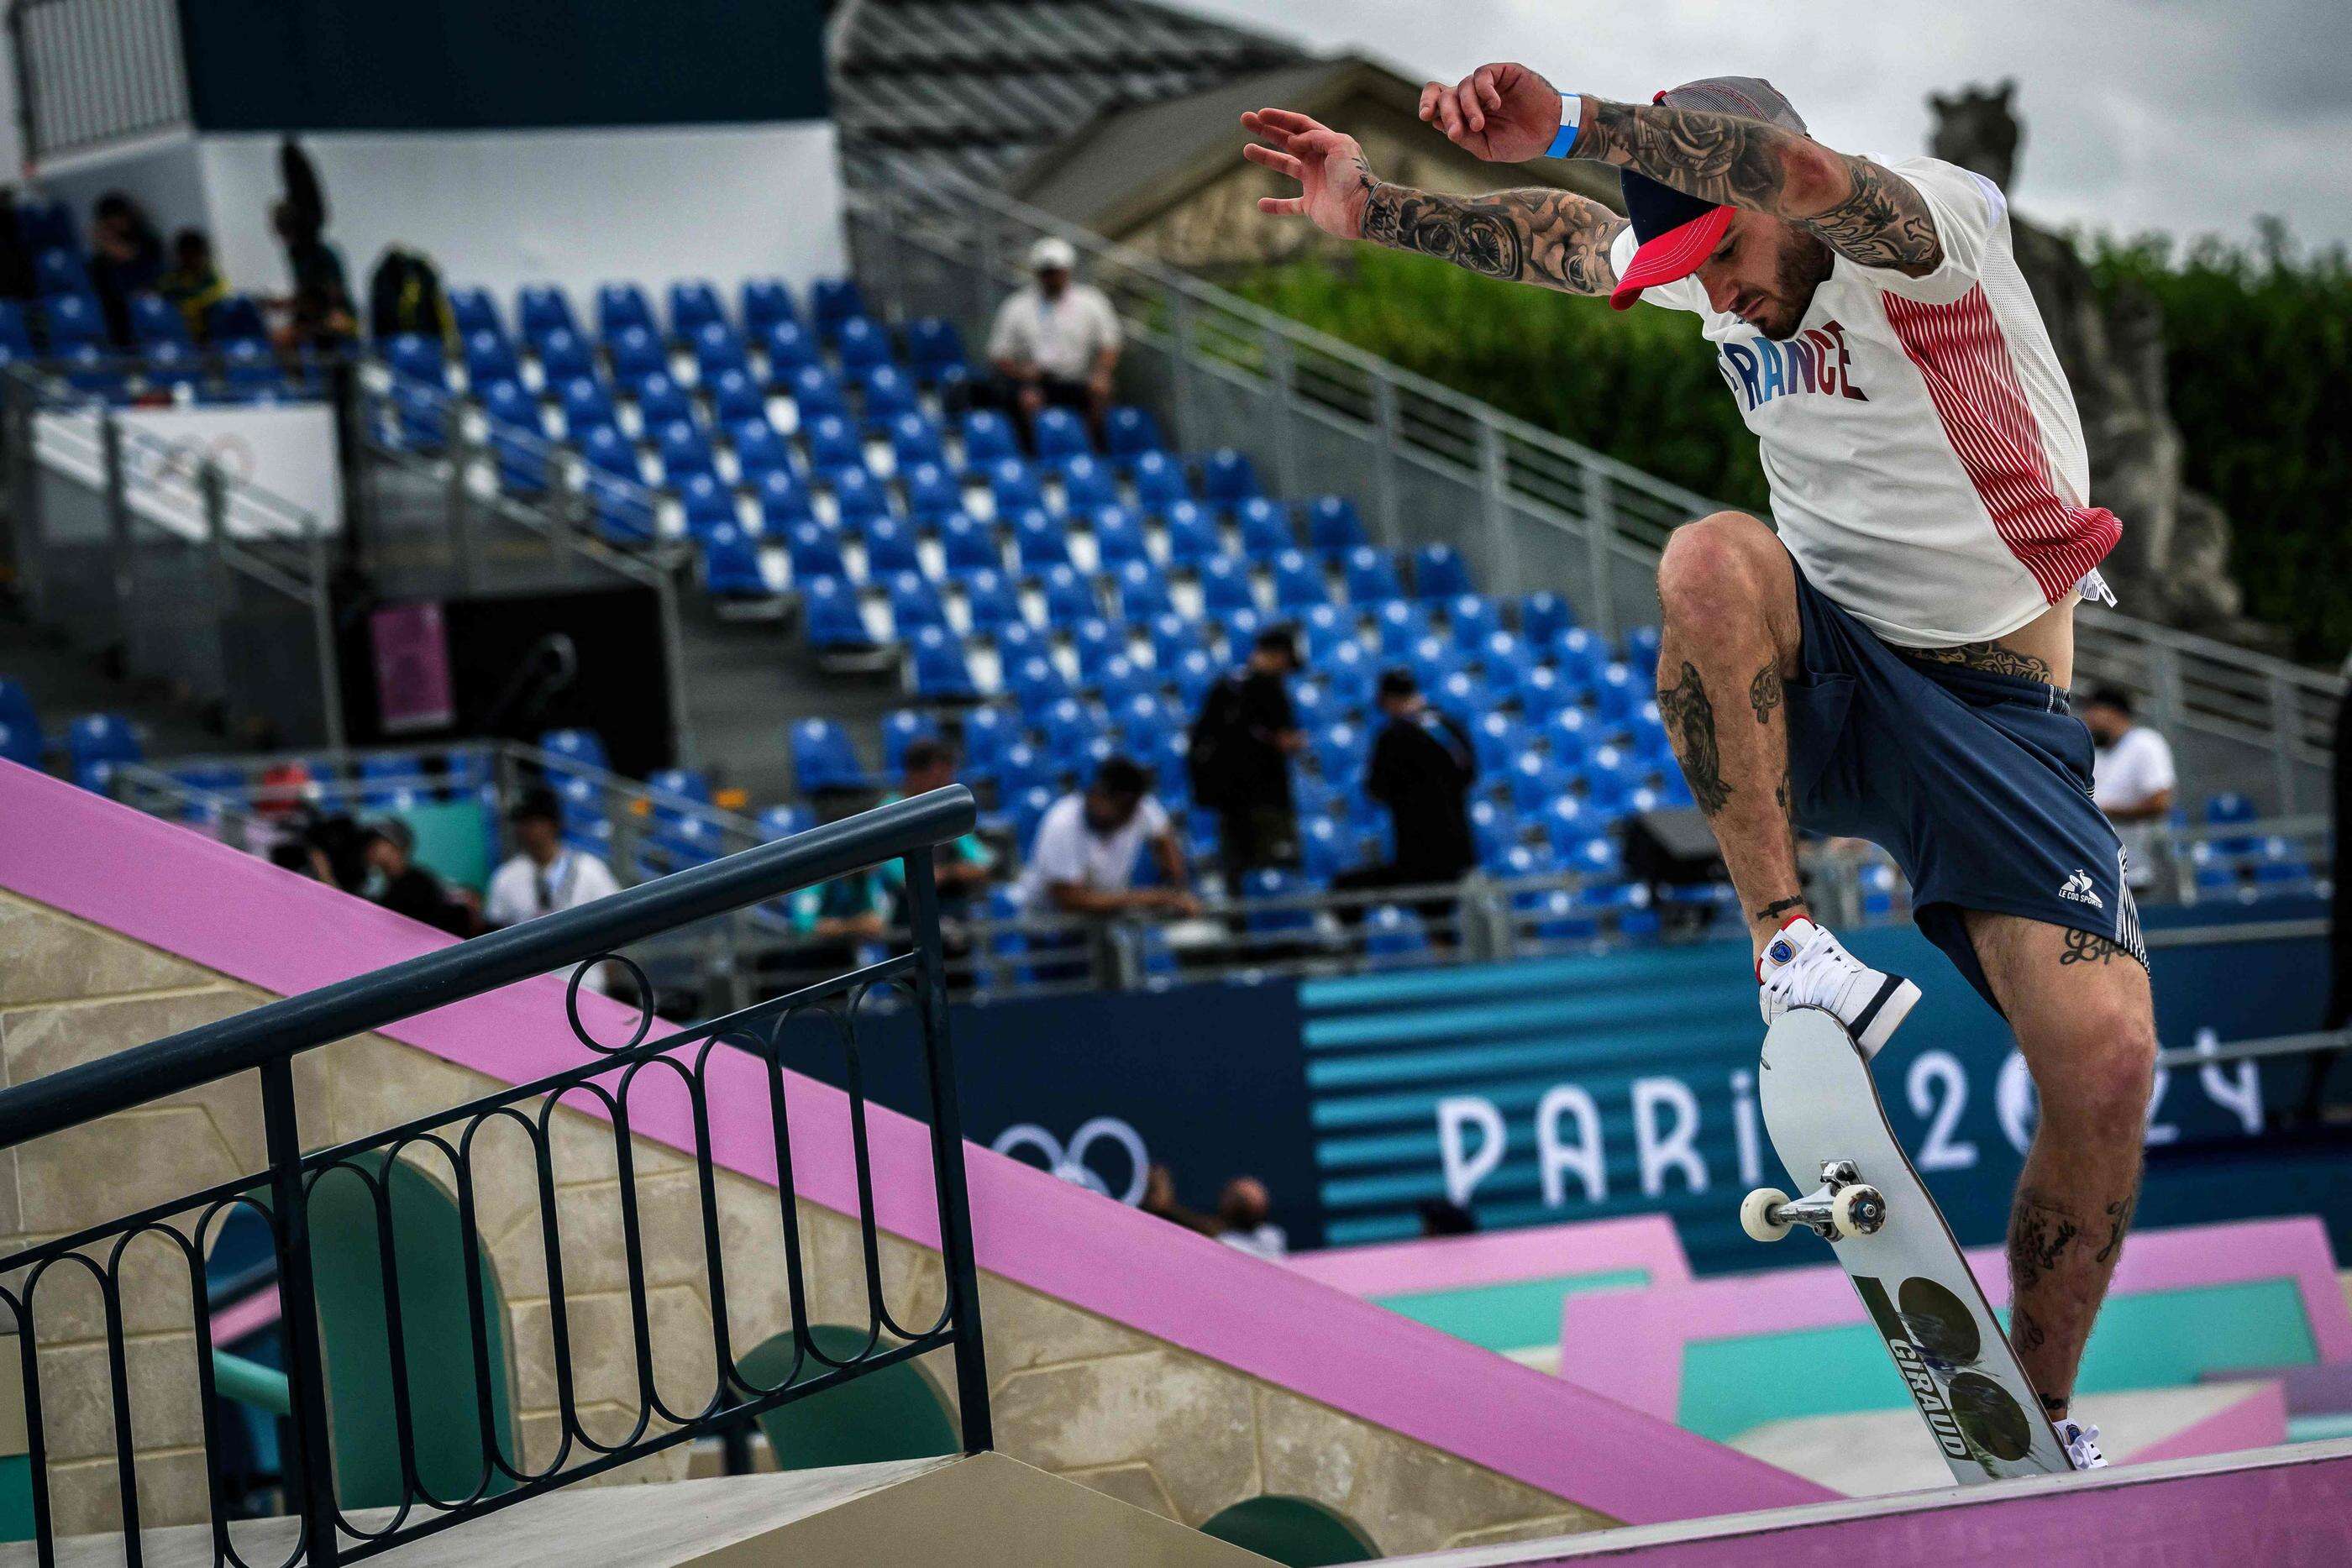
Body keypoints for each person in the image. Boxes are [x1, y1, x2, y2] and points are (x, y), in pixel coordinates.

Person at [1242, 66, 2156, 1468]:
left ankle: (2032, 1417)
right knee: (1706, 558)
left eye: (1726, 254)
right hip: (1825, 669)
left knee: (2105, 1064)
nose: (1719, 298)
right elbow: (1561, 240)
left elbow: (1791, 170)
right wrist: (1377, 209)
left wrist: (1573, 120)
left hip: (2001, 708)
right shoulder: (1709, 263)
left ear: (1774, 197)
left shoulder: (1933, 235)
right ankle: (1789, 945)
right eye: (1693, 275)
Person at [1334, 669, 1478, 943]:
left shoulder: (1394, 735)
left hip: (1418, 854)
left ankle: (1357, 958)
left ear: (1388, 700)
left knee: (1346, 888)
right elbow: (1470, 776)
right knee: (1442, 923)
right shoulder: (1450, 727)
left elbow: (1376, 790)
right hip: (1460, 850)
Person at [1189, 627, 1305, 894]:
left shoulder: (1225, 686)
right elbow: (1282, 739)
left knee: (1239, 870)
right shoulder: (1268, 689)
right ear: (1280, 656)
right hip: (1265, 800)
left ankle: (1243, 926)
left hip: (1229, 801)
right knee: (1274, 871)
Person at [982, 236, 1122, 448]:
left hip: (1079, 378)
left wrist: (1101, 372)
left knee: (1102, 390)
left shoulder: (1091, 301)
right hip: (1036, 380)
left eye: (1056, 271)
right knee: (1029, 399)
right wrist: (1022, 372)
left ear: (1067, 270)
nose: (1052, 277)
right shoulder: (1017, 306)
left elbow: (1110, 342)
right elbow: (999, 353)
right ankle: (1041, 454)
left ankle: (1094, 450)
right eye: (1047, 272)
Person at [1016, 756, 1199, 919]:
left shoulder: (1139, 807)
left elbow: (1164, 840)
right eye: (1121, 807)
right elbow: (1069, 900)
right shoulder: (1063, 822)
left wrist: (1177, 890)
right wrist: (1152, 898)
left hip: (1105, 915)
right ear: (1099, 795)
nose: (1128, 816)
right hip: (1050, 926)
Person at [2082, 686, 2176, 893]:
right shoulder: (2094, 750)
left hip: (2138, 871)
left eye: (2093, 709)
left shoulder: (2145, 743)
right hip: (2101, 870)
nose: (2087, 717)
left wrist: (2104, 813)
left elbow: (2160, 803)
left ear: (2113, 712)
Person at [361, 818, 476, 937]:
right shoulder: (382, 886)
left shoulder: (417, 884)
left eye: (376, 843)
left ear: (395, 845)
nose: (369, 850)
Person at [90, 191, 165, 347]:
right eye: (110, 220)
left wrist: (104, 241)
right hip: (120, 316)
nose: (117, 222)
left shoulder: (148, 239)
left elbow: (127, 254)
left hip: (152, 303)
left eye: (120, 216)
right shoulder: (99, 260)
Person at [158, 229, 228, 343]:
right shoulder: (168, 281)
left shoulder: (213, 279)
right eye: (187, 255)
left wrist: (190, 306)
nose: (193, 260)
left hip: (211, 335)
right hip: (179, 336)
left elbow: (218, 302)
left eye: (196, 254)